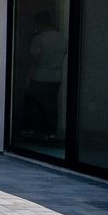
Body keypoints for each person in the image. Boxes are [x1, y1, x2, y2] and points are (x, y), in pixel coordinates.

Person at [25, 10, 65, 140]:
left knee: (34, 103)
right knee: (52, 105)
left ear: (38, 23)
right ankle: (51, 132)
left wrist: (28, 78)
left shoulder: (39, 39)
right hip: (56, 77)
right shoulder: (62, 38)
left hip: (40, 76)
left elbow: (35, 60)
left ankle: (31, 129)